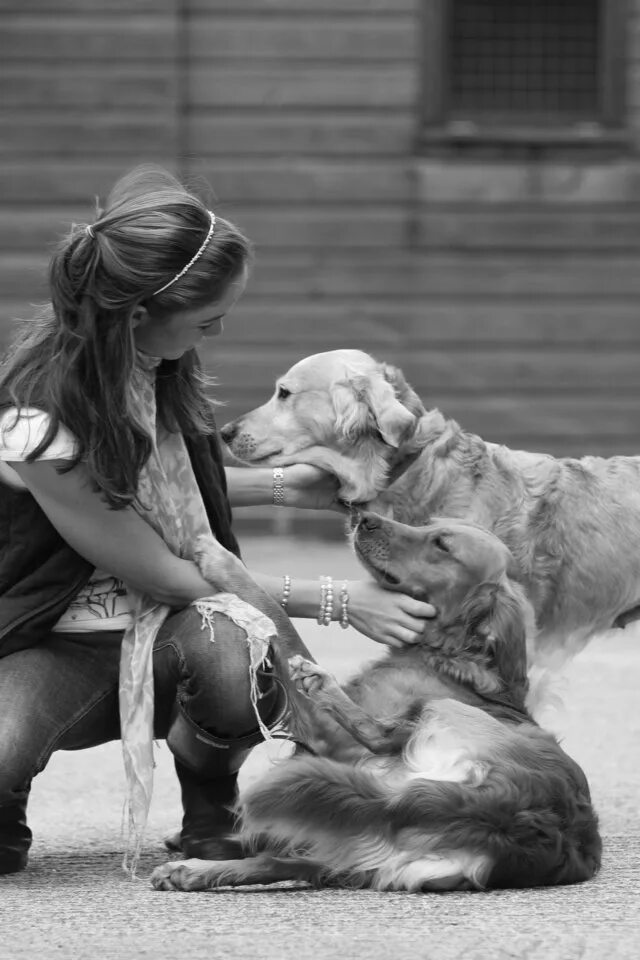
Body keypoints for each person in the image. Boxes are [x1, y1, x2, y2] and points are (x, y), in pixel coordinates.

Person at [0, 166, 435, 876]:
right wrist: (337, 600)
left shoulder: (151, 358)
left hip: (170, 635)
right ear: (140, 311)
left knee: (232, 662)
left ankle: (211, 802)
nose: (219, 330)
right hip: (53, 643)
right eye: (208, 320)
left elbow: (172, 502)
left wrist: (289, 487)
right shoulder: (35, 425)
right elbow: (169, 569)